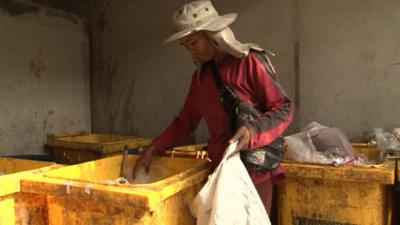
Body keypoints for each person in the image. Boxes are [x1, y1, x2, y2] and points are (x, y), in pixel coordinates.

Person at [133, 0, 294, 216]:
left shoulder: (248, 62)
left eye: (194, 42)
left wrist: (251, 131)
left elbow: (283, 108)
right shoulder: (200, 79)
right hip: (222, 169)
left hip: (255, 171)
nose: (191, 50)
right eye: (186, 45)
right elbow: (185, 122)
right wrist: (152, 150)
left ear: (213, 35)